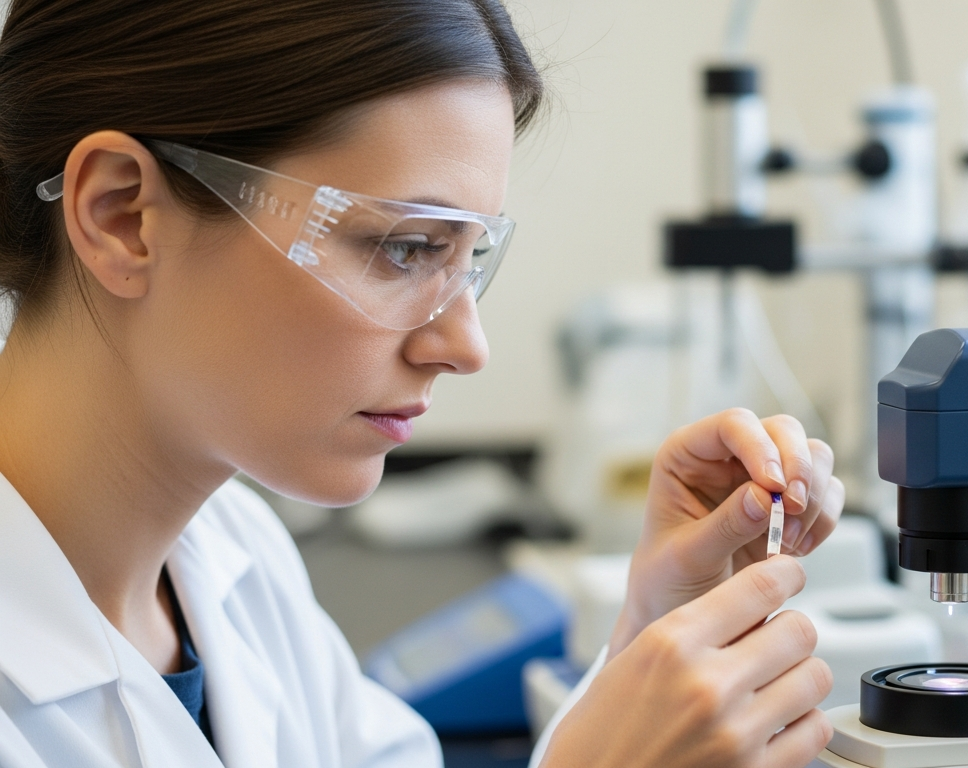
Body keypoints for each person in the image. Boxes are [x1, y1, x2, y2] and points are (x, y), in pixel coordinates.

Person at [0, 1, 846, 766]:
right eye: (404, 247)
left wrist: (654, 644)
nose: (464, 345)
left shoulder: (233, 559)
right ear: (122, 217)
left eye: (469, 257)